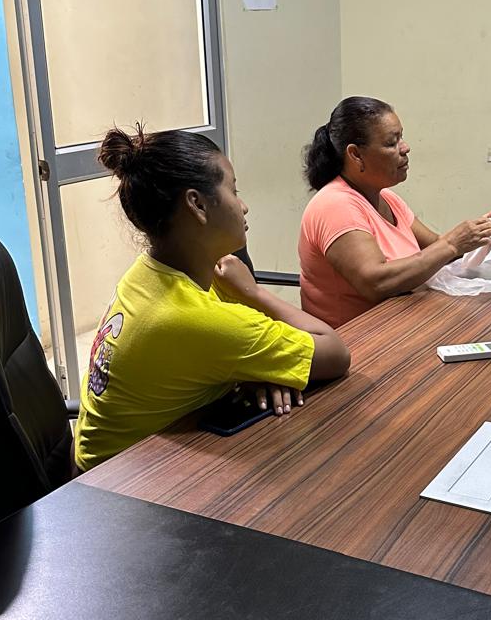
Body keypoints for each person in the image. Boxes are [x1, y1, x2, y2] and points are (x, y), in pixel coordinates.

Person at [75, 125, 350, 471]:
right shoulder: (190, 316)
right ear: (198, 204)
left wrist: (253, 370)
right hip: (119, 488)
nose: (244, 207)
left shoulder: (149, 273)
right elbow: (335, 353)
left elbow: (215, 350)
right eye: (234, 191)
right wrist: (253, 293)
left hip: (99, 463)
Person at [299, 97, 491, 328]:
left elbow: (436, 247)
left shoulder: (387, 198)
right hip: (361, 338)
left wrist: (478, 235)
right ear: (355, 155)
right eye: (391, 143)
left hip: (404, 321)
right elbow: (375, 284)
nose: (405, 148)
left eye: (401, 138)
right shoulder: (335, 205)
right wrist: (453, 244)